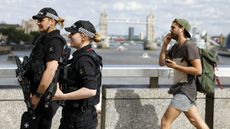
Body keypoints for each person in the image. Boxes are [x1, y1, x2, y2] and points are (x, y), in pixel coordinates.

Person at [159, 18, 209, 129]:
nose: (170, 30)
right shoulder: (175, 48)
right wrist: (164, 44)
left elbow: (198, 70)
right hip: (179, 89)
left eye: (173, 27)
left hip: (185, 90)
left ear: (182, 29)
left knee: (165, 121)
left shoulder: (189, 46)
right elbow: (162, 62)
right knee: (195, 121)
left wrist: (176, 66)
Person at [21, 7, 66, 129]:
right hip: (39, 95)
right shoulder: (43, 39)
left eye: (41, 20)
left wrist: (37, 96)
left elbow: (51, 70)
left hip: (45, 97)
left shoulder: (55, 41)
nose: (38, 23)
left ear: (52, 21)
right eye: (38, 20)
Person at [53, 20, 102, 129]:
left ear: (84, 37)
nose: (69, 36)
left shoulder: (84, 59)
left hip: (79, 120)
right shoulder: (83, 55)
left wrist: (62, 96)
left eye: (72, 33)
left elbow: (90, 90)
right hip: (76, 117)